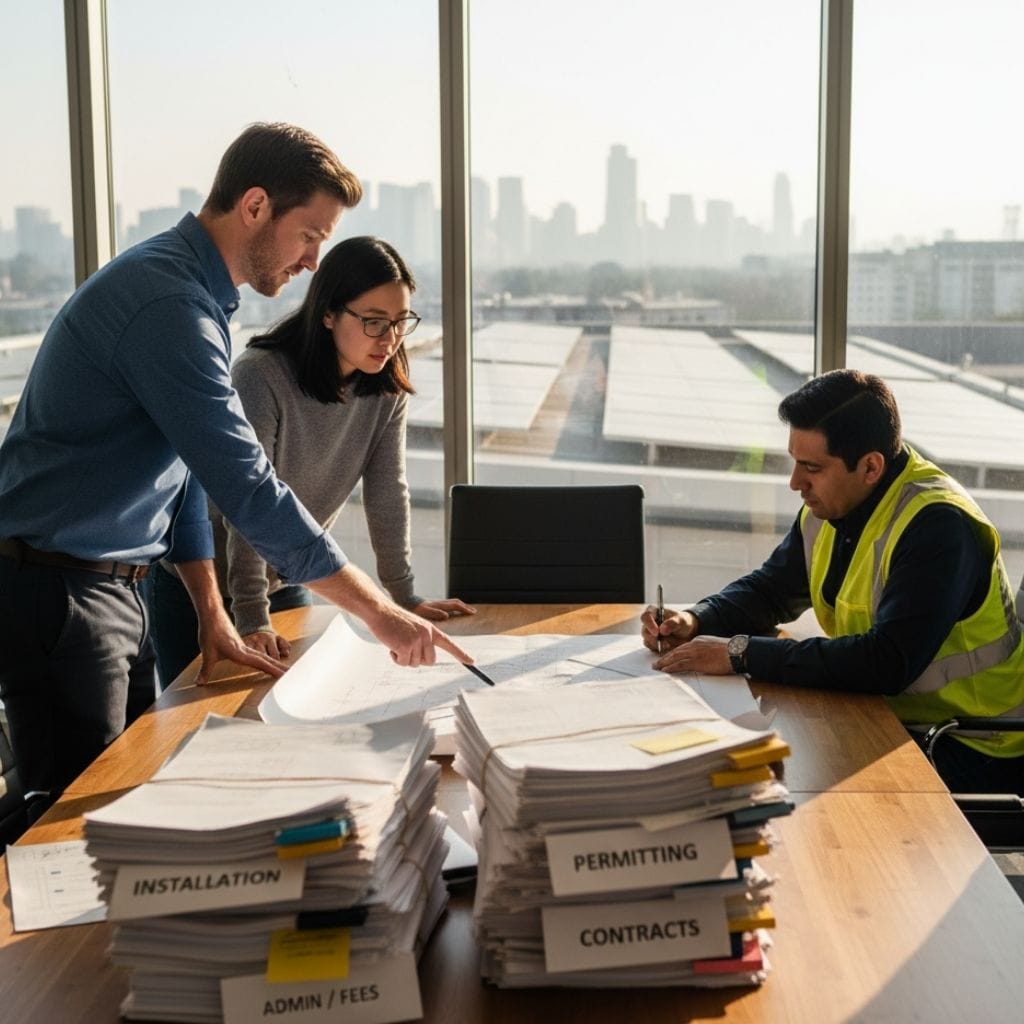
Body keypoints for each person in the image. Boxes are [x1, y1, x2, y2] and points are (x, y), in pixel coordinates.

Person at [0, 123, 471, 820]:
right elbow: (248, 486)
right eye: (310, 234)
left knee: (123, 807)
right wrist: (382, 615)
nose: (315, 261)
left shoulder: (197, 298)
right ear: (255, 207)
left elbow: (188, 471)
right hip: (57, 590)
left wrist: (211, 609)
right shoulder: (170, 306)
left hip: (107, 588)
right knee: (71, 831)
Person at [641, 369, 1024, 794]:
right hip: (887, 716)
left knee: (784, 787)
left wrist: (740, 653)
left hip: (970, 740)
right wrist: (697, 619)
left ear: (871, 466)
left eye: (812, 467)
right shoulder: (833, 504)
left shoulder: (939, 527)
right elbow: (771, 591)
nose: (795, 482)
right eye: (794, 462)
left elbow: (886, 662)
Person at [148, 235, 475, 685]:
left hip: (286, 578)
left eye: (401, 321)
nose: (391, 339)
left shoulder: (385, 387)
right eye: (375, 322)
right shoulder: (261, 375)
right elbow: (248, 502)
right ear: (327, 314)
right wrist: (251, 616)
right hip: (201, 589)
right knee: (196, 725)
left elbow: (387, 493)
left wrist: (404, 597)